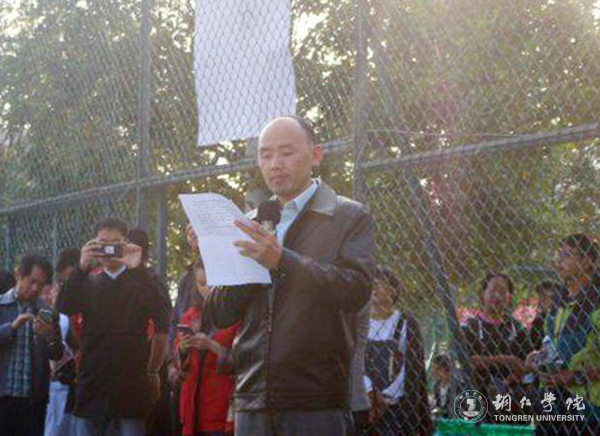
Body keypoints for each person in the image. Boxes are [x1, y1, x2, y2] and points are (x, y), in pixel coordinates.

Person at [206, 116, 376, 436]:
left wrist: (282, 260)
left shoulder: (348, 215)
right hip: (252, 398)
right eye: (266, 155)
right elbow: (220, 313)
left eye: (286, 152)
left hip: (316, 398)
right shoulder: (247, 223)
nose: (275, 164)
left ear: (315, 155)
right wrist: (234, 262)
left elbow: (355, 290)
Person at [57, 218, 171, 436]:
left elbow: (161, 315)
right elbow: (65, 305)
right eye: (102, 244)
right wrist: (81, 266)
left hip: (130, 385)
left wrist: (138, 268)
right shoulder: (88, 281)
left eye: (115, 244)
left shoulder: (141, 280)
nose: (109, 250)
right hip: (93, 384)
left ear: (126, 244)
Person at [527, 234, 600, 435]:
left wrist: (575, 376)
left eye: (567, 255)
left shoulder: (596, 302)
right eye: (559, 255)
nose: (559, 261)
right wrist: (539, 356)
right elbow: (551, 344)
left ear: (587, 262)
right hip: (553, 406)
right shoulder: (558, 301)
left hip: (590, 411)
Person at [363, 266, 433, 436]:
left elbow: (411, 368)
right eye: (370, 284)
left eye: (379, 284)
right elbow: (355, 361)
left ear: (393, 291)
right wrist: (369, 390)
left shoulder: (406, 323)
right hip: (364, 399)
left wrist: (387, 396)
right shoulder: (359, 322)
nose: (373, 289)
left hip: (397, 404)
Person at [0, 254, 61, 436]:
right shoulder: (2, 306)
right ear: (18, 274)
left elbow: (57, 354)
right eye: (31, 281)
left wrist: (50, 337)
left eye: (40, 285)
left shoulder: (46, 312)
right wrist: (11, 327)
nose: (35, 289)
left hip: (32, 403)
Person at [175, 260, 237, 436]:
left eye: (212, 283)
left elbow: (244, 360)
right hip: (192, 406)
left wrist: (211, 345)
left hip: (220, 404)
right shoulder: (190, 315)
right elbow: (179, 360)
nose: (207, 289)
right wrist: (183, 348)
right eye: (201, 284)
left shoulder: (236, 315)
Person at [461, 271, 533, 406]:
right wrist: (504, 359)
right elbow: (468, 361)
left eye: (502, 291)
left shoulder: (518, 328)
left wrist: (505, 383)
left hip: (512, 400)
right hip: (476, 397)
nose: (497, 295)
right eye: (493, 290)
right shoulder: (470, 326)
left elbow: (526, 364)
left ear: (509, 297)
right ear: (482, 294)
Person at [127, 227, 173, 436]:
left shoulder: (150, 284)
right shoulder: (149, 282)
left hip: (146, 368)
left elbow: (161, 331)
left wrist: (152, 371)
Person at [44, 248, 80, 436]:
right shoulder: (55, 316)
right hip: (57, 389)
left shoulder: (67, 317)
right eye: (60, 283)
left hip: (69, 388)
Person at [529, 281, 559, 350]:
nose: (541, 300)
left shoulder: (561, 317)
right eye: (540, 296)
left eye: (545, 296)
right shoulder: (538, 322)